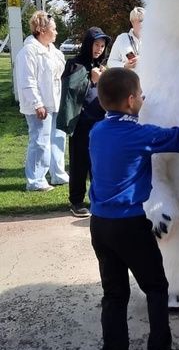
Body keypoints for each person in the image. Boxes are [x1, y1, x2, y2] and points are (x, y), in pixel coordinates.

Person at [89, 67, 179, 350]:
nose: (144, 99)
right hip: (129, 224)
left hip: (99, 224)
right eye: (141, 95)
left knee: (114, 292)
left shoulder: (96, 131)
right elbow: (178, 137)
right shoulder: (138, 133)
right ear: (132, 99)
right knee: (157, 287)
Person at [57, 27, 111, 217]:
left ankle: (98, 198)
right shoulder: (75, 64)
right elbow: (71, 90)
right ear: (89, 44)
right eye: (96, 44)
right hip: (81, 122)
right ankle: (77, 201)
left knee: (99, 163)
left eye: (102, 46)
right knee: (80, 162)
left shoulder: (102, 67)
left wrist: (102, 78)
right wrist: (93, 80)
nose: (99, 49)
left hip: (100, 122)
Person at [15, 11, 69, 191]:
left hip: (55, 102)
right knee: (40, 141)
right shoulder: (28, 52)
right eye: (53, 29)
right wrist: (37, 104)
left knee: (57, 139)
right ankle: (36, 180)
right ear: (41, 30)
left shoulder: (53, 51)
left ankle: (58, 174)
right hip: (40, 105)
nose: (56, 32)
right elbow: (27, 81)